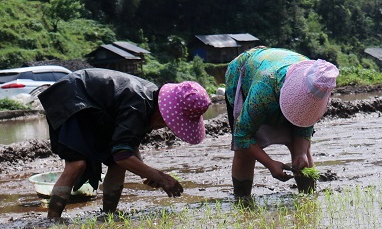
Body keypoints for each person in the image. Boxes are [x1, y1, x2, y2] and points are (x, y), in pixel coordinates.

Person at [37, 68, 211, 219]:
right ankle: (52, 218)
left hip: (95, 108)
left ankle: (109, 215)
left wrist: (145, 172)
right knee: (77, 164)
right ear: (164, 113)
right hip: (74, 99)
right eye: (168, 122)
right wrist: (159, 177)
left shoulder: (150, 101)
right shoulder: (137, 106)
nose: (164, 126)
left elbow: (127, 145)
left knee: (117, 164)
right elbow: (122, 155)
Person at [225, 47, 339, 199]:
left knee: (302, 155)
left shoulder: (318, 80)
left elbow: (304, 127)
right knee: (244, 153)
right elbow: (242, 135)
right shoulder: (263, 90)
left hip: (273, 72)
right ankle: (242, 200)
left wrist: (301, 154)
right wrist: (270, 163)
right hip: (247, 74)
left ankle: (308, 199)